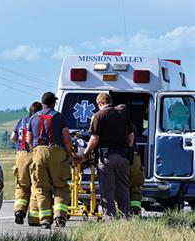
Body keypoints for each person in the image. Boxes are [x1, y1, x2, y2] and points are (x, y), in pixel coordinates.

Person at [27, 92, 75, 228]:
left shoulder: (32, 119)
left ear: (42, 103)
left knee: (41, 188)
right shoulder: (59, 117)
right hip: (57, 152)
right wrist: (69, 153)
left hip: (38, 152)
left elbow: (29, 140)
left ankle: (45, 220)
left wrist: (36, 151)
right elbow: (66, 138)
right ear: (54, 103)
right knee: (60, 186)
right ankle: (59, 216)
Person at [83, 94, 134, 218]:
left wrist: (86, 152)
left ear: (100, 103)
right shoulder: (122, 114)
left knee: (107, 189)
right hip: (123, 156)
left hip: (106, 158)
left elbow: (94, 139)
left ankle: (110, 217)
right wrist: (126, 148)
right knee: (123, 188)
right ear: (110, 102)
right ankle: (125, 216)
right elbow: (131, 137)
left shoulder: (98, 116)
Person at [11, 101, 42, 225]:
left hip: (21, 155)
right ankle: (34, 218)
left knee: (22, 185)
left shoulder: (22, 121)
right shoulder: (39, 121)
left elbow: (13, 137)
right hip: (34, 154)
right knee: (36, 186)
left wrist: (19, 148)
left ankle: (19, 211)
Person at [115, 104, 144, 216]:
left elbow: (129, 142)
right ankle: (135, 211)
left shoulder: (117, 125)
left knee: (120, 185)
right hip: (135, 158)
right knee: (135, 186)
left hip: (124, 157)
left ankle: (121, 211)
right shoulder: (131, 125)